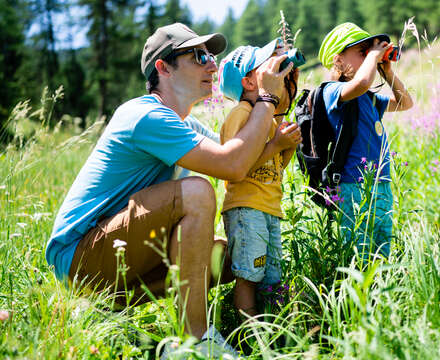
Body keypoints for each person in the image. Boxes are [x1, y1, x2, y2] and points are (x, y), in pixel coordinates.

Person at [45, 22, 293, 349]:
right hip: (80, 257)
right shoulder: (145, 115)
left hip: (118, 250)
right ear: (164, 68)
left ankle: (103, 312)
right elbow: (230, 165)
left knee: (234, 254)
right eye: (197, 56)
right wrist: (265, 96)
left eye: (211, 56)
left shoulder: (184, 125)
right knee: (197, 191)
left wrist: (280, 115)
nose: (211, 63)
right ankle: (195, 341)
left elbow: (241, 160)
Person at [217, 38, 301, 320]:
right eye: (266, 65)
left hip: (268, 208)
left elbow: (275, 167)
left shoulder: (267, 117)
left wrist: (286, 147)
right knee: (249, 276)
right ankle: (251, 335)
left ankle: (276, 328)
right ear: (250, 82)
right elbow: (238, 166)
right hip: (245, 207)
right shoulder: (240, 115)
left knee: (271, 276)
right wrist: (275, 145)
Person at [317, 23, 413, 260]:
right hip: (352, 185)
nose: (371, 55)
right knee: (357, 252)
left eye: (370, 52)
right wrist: (373, 57)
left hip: (381, 181)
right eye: (363, 51)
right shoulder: (333, 91)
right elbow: (360, 84)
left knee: (382, 247)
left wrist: (387, 72)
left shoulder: (370, 99)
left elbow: (405, 103)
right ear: (338, 60)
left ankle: (378, 291)